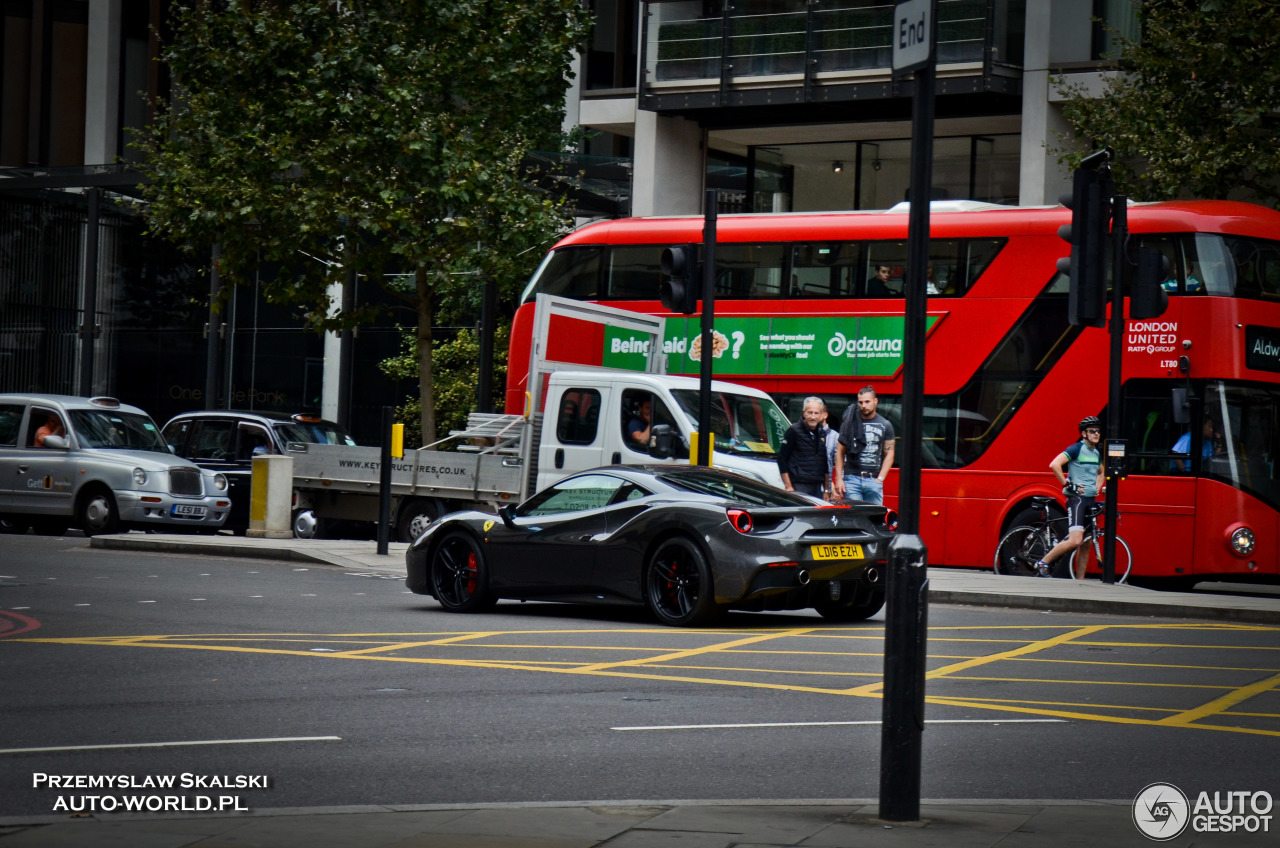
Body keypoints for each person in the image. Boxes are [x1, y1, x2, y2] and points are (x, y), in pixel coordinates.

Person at [1033, 415, 1106, 578]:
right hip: (1077, 500)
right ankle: (1042, 563)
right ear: (1084, 434)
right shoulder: (1076, 449)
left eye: (1098, 431)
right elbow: (1054, 464)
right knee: (1075, 541)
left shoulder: (1096, 453)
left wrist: (1097, 487)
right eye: (1092, 431)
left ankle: (1079, 580)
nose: (1096, 434)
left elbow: (1102, 472)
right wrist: (1067, 484)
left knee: (1086, 543)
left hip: (1090, 500)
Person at [833, 386, 895, 504]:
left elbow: (890, 453)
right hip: (852, 478)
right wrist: (839, 479)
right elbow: (840, 452)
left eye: (867, 402)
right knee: (854, 518)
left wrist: (880, 478)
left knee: (874, 519)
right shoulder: (849, 423)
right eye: (861, 402)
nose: (864, 405)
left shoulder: (885, 425)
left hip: (873, 478)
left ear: (875, 401)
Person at [777, 396, 830, 498]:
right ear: (803, 413)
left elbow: (824, 462)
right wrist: (788, 486)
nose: (813, 417)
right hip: (799, 484)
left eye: (816, 413)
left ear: (822, 415)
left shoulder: (821, 432)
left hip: (817, 485)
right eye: (810, 412)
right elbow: (781, 459)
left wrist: (826, 490)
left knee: (816, 514)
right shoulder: (794, 430)